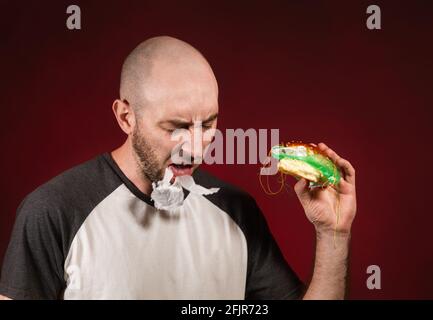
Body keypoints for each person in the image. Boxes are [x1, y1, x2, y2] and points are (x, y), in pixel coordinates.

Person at [0, 36, 356, 300]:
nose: (197, 147)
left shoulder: (236, 211)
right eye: (177, 128)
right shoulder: (53, 211)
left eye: (209, 124)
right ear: (126, 117)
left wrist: (333, 235)